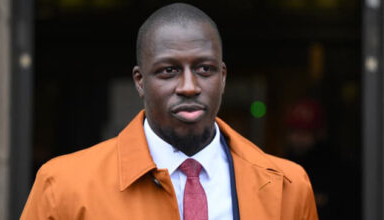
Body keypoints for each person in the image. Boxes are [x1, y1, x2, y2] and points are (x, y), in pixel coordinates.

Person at [21, 3, 318, 220]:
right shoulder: (62, 187)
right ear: (140, 81)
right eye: (168, 71)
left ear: (223, 77)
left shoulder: (288, 187)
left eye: (205, 69)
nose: (189, 86)